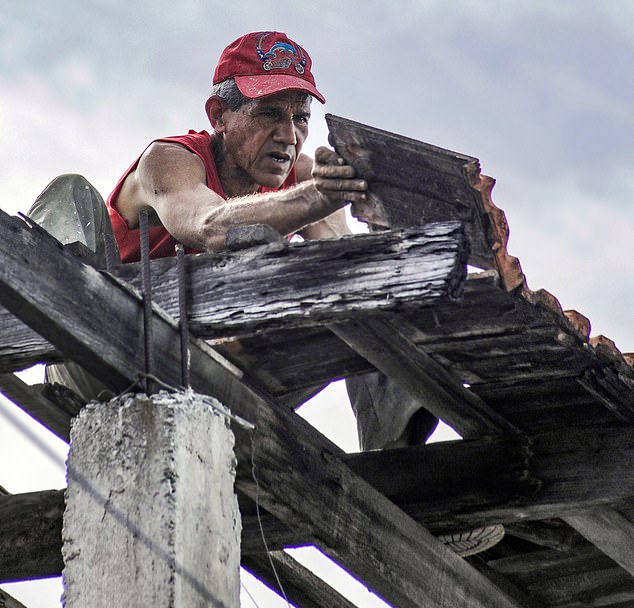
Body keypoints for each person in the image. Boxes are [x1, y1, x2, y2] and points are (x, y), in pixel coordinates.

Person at [28, 30, 431, 453]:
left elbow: (336, 264)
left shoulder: (308, 178)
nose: (288, 135)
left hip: (214, 372)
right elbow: (209, 224)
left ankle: (402, 465)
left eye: (300, 118)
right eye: (270, 114)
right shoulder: (170, 161)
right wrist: (316, 196)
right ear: (219, 115)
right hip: (103, 359)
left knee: (366, 287)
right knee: (70, 190)